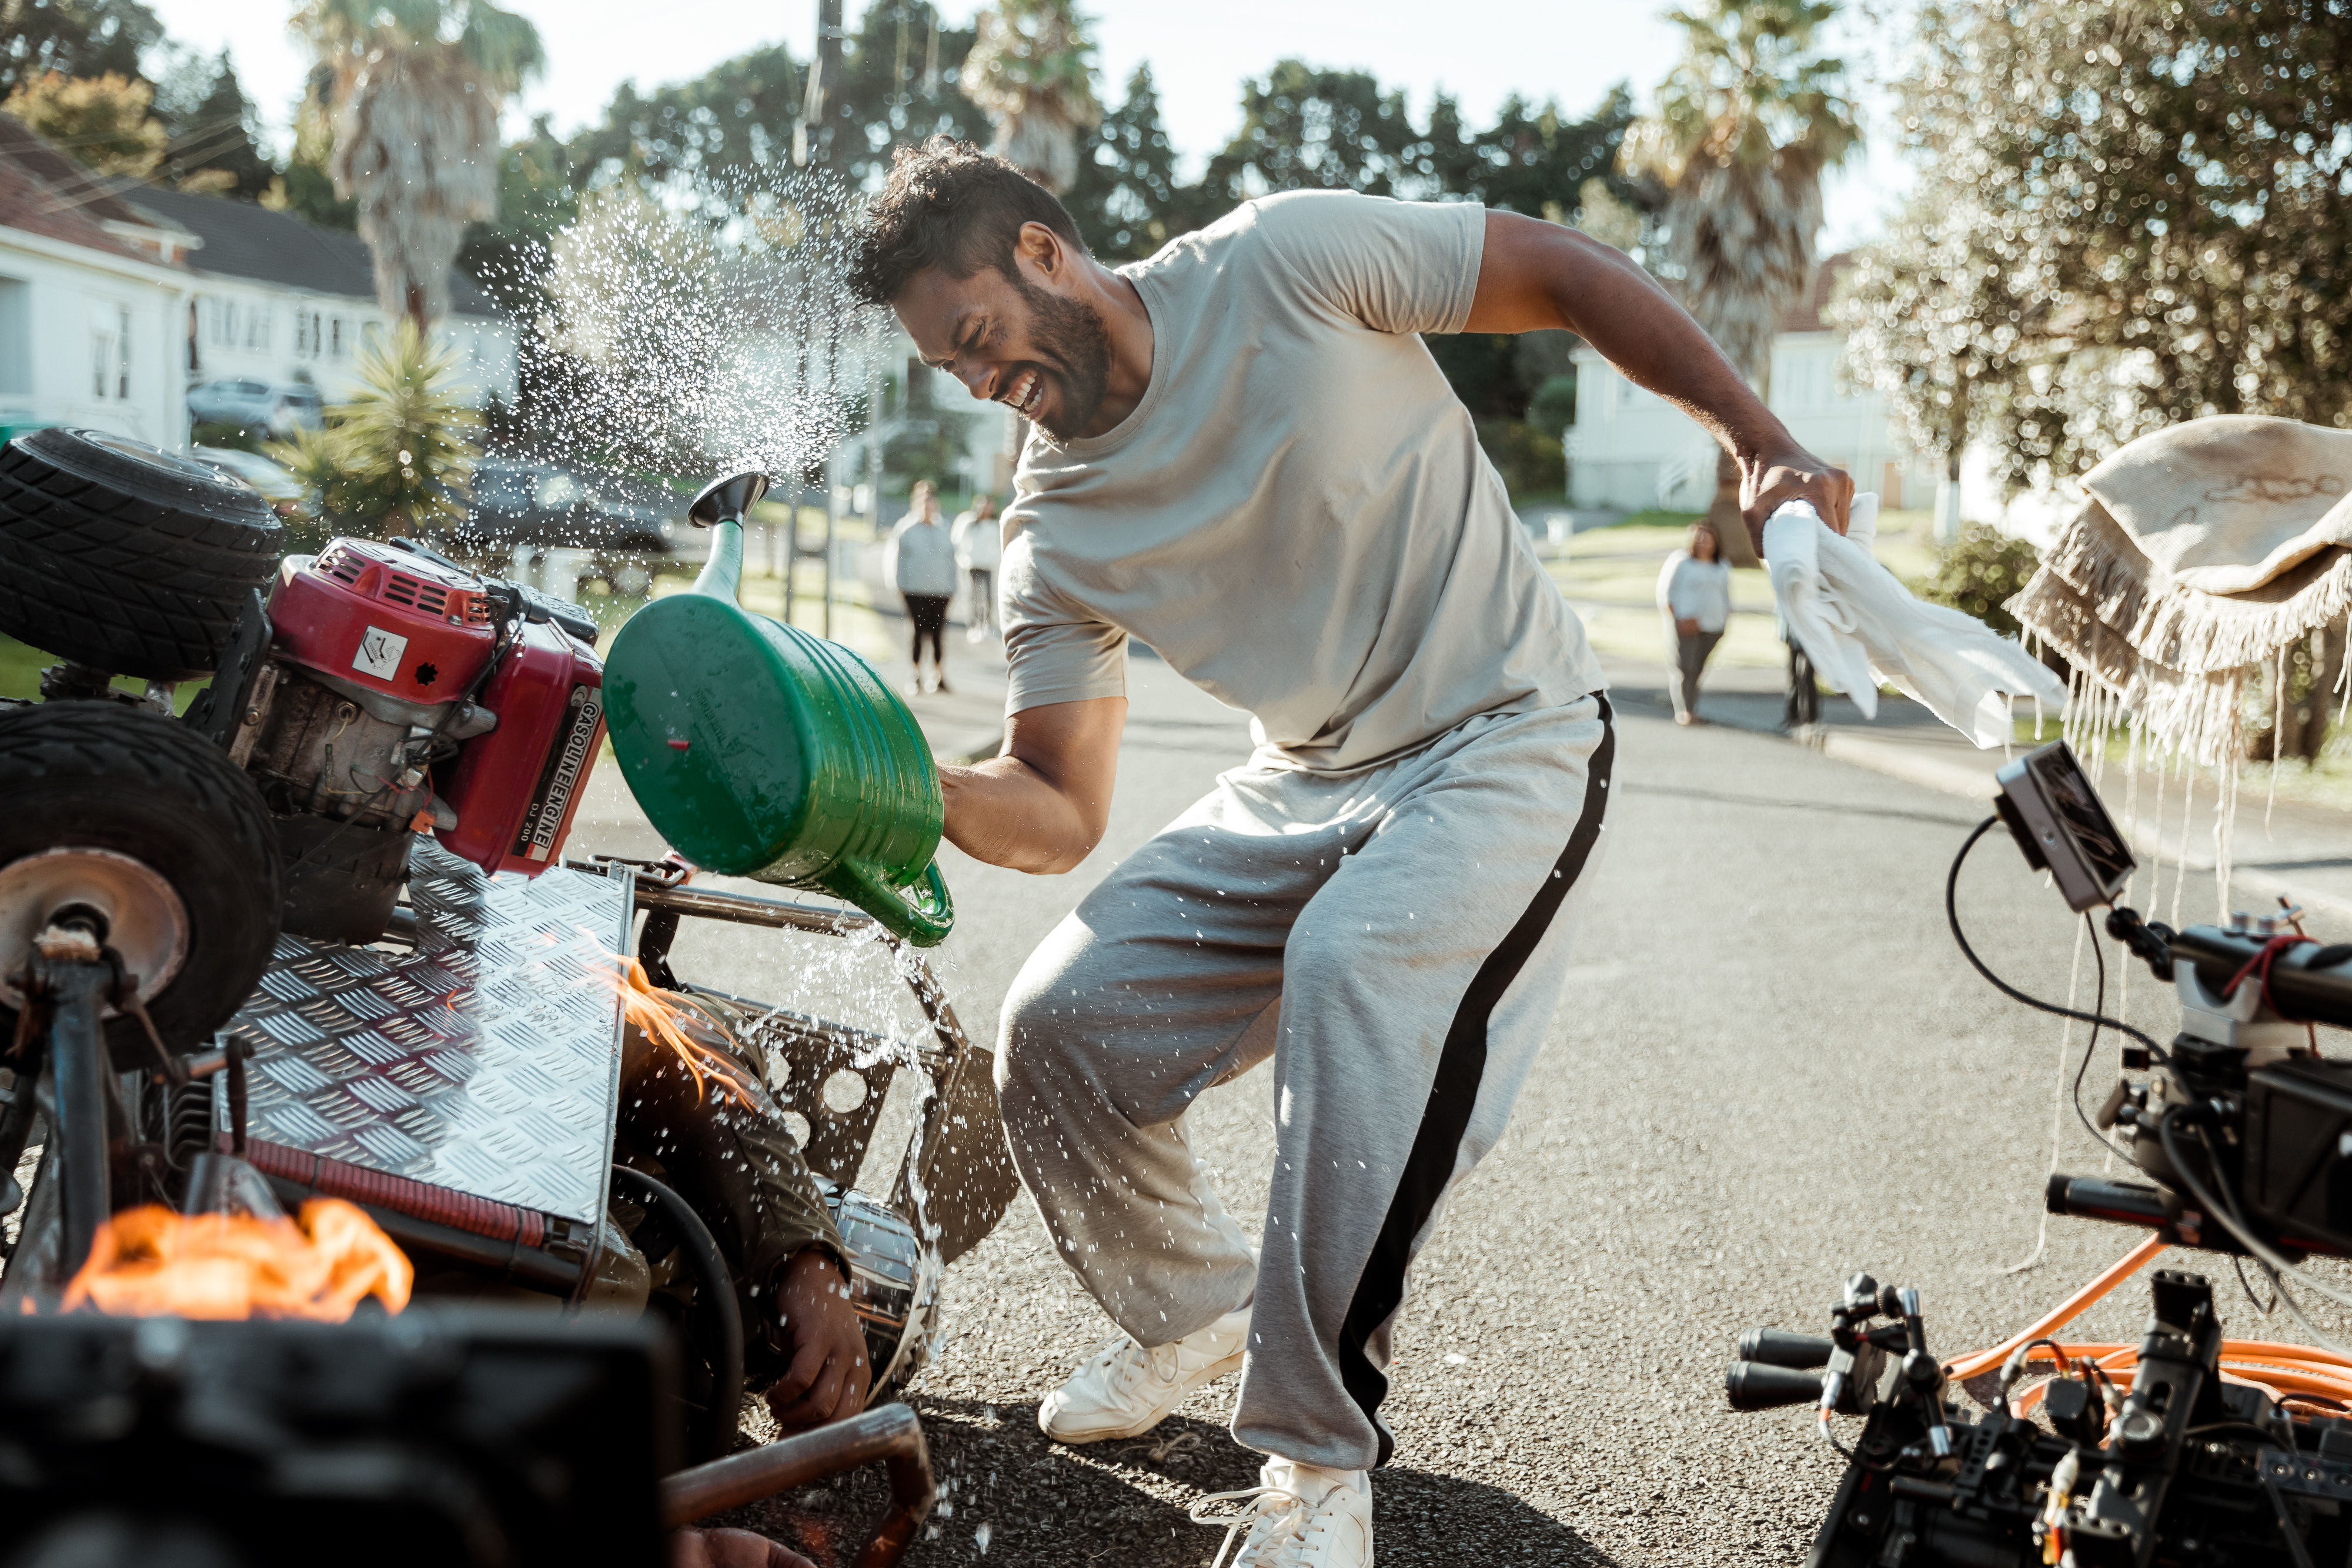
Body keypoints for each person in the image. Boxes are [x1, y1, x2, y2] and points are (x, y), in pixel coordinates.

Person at [850, 138, 1850, 1567]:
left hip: (1504, 733)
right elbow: (1056, 806)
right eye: (948, 368)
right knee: (1057, 1024)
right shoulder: (1051, 525)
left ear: (1044, 255)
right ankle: (1194, 1310)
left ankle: (1317, 1464)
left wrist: (1758, 438)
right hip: (1302, 779)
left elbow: (1560, 272)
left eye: (976, 338)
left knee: (1350, 963)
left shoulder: (1286, 258)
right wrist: (909, 781)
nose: (975, 379)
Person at [1655, 520, 1732, 725]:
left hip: (1713, 625)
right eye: (1699, 537)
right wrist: (1676, 619)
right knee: (1684, 668)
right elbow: (1665, 593)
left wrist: (1726, 618)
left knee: (1697, 669)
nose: (1703, 542)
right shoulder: (1681, 561)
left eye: (1707, 538)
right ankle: (1684, 711)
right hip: (1686, 624)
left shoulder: (1722, 565)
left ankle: (1691, 708)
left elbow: (1726, 595)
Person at [888, 481, 957, 694]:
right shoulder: (906, 528)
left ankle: (939, 675)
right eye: (923, 502)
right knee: (918, 632)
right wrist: (898, 584)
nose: (928, 506)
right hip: (914, 589)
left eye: (931, 502)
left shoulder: (944, 529)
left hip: (941, 590)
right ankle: (915, 674)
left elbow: (952, 560)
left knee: (938, 634)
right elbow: (896, 559)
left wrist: (953, 587)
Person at [953, 493, 1003, 641]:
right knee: (972, 595)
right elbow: (957, 540)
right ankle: (973, 625)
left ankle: (987, 624)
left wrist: (994, 559)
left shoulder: (995, 525)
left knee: (988, 596)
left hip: (988, 566)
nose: (987, 507)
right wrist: (963, 558)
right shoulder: (969, 522)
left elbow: (1000, 545)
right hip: (971, 565)